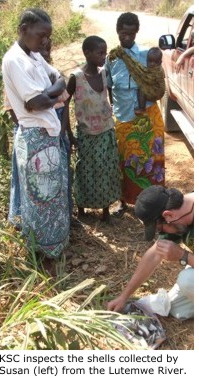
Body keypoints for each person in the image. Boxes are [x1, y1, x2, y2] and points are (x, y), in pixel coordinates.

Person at [2, 8, 70, 271]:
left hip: (47, 136)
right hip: (34, 139)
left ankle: (54, 249)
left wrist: (48, 96)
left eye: (48, 37)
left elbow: (60, 79)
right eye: (41, 35)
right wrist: (51, 96)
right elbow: (34, 103)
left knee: (52, 197)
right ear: (23, 29)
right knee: (40, 199)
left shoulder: (32, 57)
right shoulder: (14, 60)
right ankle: (42, 257)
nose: (45, 42)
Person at [106, 12, 165, 216]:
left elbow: (157, 81)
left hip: (148, 116)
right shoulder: (112, 58)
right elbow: (109, 87)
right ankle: (124, 201)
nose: (127, 38)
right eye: (123, 33)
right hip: (123, 116)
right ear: (118, 32)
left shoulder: (147, 54)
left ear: (136, 32)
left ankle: (153, 203)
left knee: (151, 160)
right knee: (124, 160)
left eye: (131, 33)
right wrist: (112, 110)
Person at [107, 185, 194, 320]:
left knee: (187, 280)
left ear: (168, 215)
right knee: (176, 308)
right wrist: (124, 297)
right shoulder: (179, 216)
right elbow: (154, 255)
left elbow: (184, 257)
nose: (162, 234)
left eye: (160, 229)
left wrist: (183, 256)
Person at [65, 35, 121, 223]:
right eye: (100, 53)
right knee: (85, 171)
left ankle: (105, 212)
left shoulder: (104, 73)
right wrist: (70, 134)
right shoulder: (76, 77)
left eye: (105, 52)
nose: (104, 56)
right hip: (86, 134)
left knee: (106, 169)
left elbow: (109, 96)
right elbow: (64, 104)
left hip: (106, 131)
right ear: (87, 53)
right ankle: (81, 209)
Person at [135, 47, 163, 115]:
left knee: (141, 89)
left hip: (157, 92)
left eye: (155, 62)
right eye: (150, 61)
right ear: (146, 60)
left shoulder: (156, 71)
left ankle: (142, 108)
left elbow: (147, 80)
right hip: (157, 90)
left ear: (160, 62)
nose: (152, 64)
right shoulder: (159, 69)